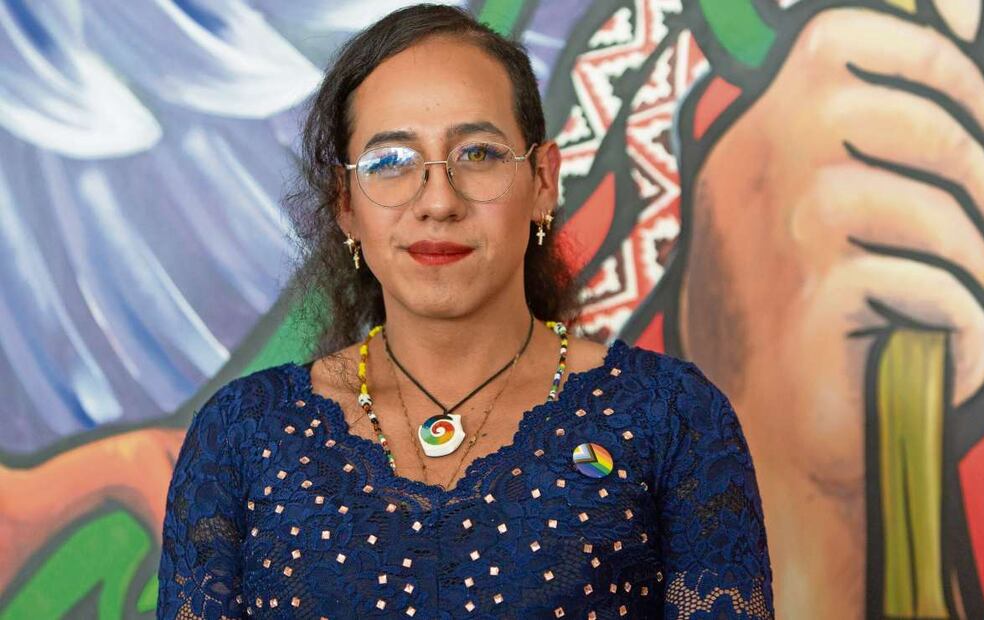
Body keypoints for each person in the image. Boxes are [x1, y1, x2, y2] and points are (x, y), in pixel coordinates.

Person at [156, 4, 773, 618]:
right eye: (391, 162)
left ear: (543, 181)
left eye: (477, 154)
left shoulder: (671, 417)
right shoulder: (244, 435)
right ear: (346, 204)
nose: (438, 201)